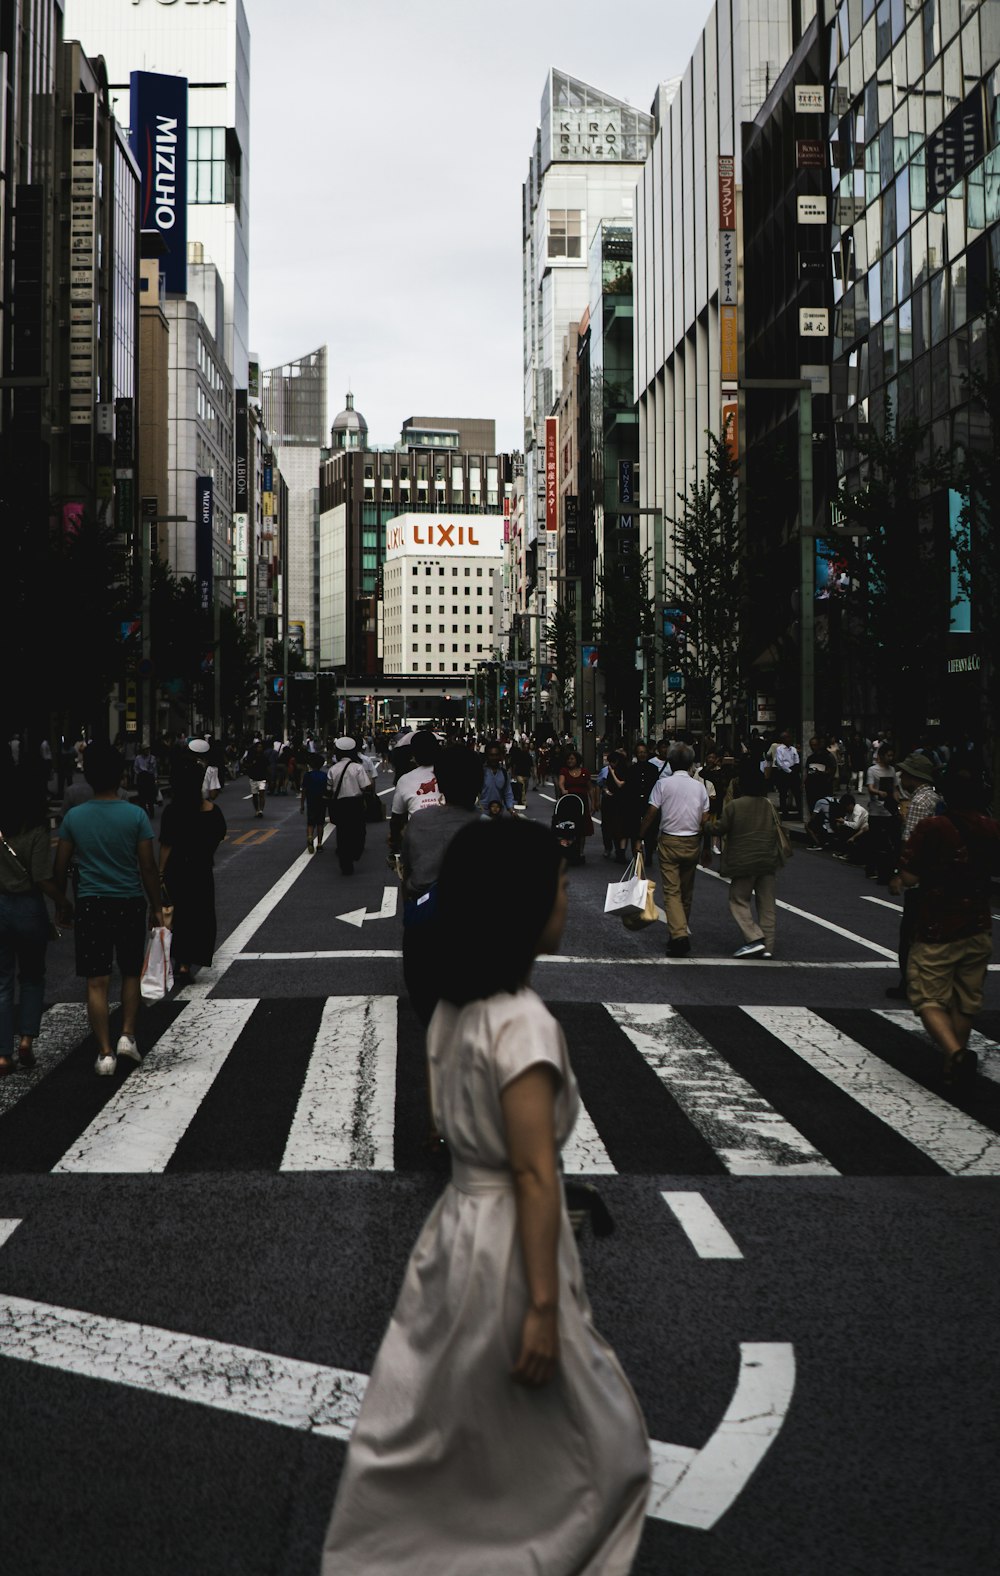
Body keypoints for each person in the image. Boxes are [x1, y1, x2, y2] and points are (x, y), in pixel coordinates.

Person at [321, 818, 651, 1572]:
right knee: (601, 1445)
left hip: (453, 1234)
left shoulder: (452, 1013)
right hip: (509, 1246)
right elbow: (534, 1173)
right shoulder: (523, 1027)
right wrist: (541, 1306)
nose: (569, 901)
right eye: (561, 889)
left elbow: (449, 1127)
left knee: (440, 1428)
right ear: (521, 910)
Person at [52, 745, 163, 1075]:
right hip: (129, 901)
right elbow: (147, 867)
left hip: (91, 902)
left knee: (96, 980)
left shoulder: (74, 817)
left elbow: (60, 866)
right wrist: (157, 906)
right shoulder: (135, 815)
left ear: (88, 775)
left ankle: (104, 1053)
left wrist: (62, 902)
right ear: (121, 776)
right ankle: (127, 1035)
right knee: (130, 972)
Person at [900, 767, 1000, 1089]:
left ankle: (955, 1054)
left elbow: (911, 876)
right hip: (979, 924)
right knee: (965, 999)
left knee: (927, 996)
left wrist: (898, 881)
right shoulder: (992, 828)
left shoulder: (933, 827)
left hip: (938, 924)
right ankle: (950, 1066)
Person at [400, 747, 483, 1029]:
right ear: (478, 784)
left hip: (424, 925)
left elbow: (407, 871)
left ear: (441, 784)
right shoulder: (488, 827)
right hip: (472, 929)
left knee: (426, 1001)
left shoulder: (420, 821)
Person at [0, 772, 71, 1075]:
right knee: (31, 976)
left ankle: (2, 1055)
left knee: (2, 983)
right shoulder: (38, 831)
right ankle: (26, 1039)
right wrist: (64, 902)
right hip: (28, 907)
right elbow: (43, 878)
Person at [157, 748, 227, 984]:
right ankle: (187, 963)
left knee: (177, 915)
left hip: (177, 870)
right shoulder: (211, 811)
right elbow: (218, 835)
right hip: (201, 869)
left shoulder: (173, 811)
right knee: (199, 916)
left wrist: (160, 874)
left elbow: (166, 845)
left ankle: (179, 961)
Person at [636, 743, 711, 956]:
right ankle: (679, 929)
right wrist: (706, 846)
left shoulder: (663, 784)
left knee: (671, 891)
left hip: (669, 840)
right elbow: (705, 819)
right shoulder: (699, 787)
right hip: (693, 841)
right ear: (690, 763)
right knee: (686, 892)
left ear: (669, 762)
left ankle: (678, 935)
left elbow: (651, 813)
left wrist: (639, 837)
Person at [885, 753, 944, 999]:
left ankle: (909, 983)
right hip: (936, 876)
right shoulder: (936, 798)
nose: (901, 776)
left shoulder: (919, 802)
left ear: (914, 776)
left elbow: (911, 842)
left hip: (919, 878)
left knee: (910, 933)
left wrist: (900, 873)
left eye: (905, 773)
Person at [718, 758, 785, 958]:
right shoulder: (769, 804)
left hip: (744, 861)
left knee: (738, 899)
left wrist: (704, 826)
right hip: (768, 860)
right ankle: (769, 947)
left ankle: (754, 937)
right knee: (767, 904)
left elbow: (721, 828)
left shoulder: (735, 806)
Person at [388, 731, 441, 862]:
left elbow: (396, 819)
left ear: (413, 754)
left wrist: (394, 847)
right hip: (448, 837)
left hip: (417, 841)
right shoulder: (449, 772)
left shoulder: (405, 780)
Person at [327, 737, 372, 875]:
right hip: (355, 803)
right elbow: (366, 786)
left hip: (340, 804)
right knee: (358, 830)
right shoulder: (358, 768)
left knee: (342, 833)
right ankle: (354, 853)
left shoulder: (333, 769)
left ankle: (345, 862)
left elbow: (329, 789)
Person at [864, 743, 899, 882]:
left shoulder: (892, 771)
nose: (890, 758)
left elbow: (895, 789)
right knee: (874, 840)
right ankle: (871, 868)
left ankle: (885, 868)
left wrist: (898, 802)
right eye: (888, 755)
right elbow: (870, 788)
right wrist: (879, 792)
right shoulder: (873, 770)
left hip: (889, 810)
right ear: (881, 755)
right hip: (876, 810)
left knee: (888, 841)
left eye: (892, 755)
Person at [555, 750, 594, 853]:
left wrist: (593, 803)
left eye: (572, 758)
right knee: (567, 826)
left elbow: (590, 788)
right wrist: (563, 790)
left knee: (582, 828)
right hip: (568, 802)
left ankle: (580, 851)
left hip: (582, 803)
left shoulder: (584, 772)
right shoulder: (564, 771)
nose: (569, 761)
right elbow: (561, 782)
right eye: (568, 759)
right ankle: (568, 848)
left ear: (577, 760)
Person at [300, 752, 328, 854]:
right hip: (322, 801)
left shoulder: (307, 775)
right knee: (320, 823)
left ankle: (310, 836)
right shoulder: (324, 775)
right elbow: (327, 790)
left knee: (310, 822)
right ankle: (319, 843)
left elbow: (304, 790)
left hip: (311, 801)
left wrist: (302, 804)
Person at [479, 740, 515, 816]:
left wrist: (512, 811)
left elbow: (508, 793)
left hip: (498, 814)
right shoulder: (481, 772)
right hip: (482, 814)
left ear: (500, 756)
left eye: (496, 755)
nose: (494, 758)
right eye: (491, 755)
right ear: (487, 756)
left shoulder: (504, 773)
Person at [803, 735, 839, 812]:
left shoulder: (828, 757)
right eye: (811, 745)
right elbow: (807, 771)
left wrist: (822, 774)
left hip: (823, 786)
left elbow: (832, 770)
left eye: (815, 745)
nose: (813, 747)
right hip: (811, 787)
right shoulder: (810, 758)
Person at [770, 731, 801, 818]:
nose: (789, 739)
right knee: (783, 793)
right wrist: (789, 771)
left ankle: (800, 810)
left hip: (793, 771)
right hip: (784, 773)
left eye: (789, 737)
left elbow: (797, 760)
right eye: (787, 737)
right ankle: (784, 812)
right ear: (783, 739)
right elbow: (780, 762)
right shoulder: (780, 749)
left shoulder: (793, 749)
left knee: (797, 793)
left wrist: (794, 769)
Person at [245, 739, 269, 818]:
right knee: (254, 795)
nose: (259, 748)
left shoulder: (264, 757)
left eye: (261, 747)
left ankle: (261, 810)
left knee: (261, 793)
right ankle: (257, 810)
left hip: (262, 778)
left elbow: (267, 767)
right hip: (253, 778)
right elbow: (247, 765)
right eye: (258, 747)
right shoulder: (252, 757)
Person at [133, 744, 158, 819]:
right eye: (145, 749)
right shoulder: (138, 758)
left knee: (150, 797)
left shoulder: (152, 758)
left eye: (148, 749)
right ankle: (144, 812)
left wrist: (155, 778)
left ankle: (151, 812)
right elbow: (135, 767)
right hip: (141, 777)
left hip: (149, 778)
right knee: (142, 797)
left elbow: (154, 769)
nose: (147, 751)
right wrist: (139, 773)